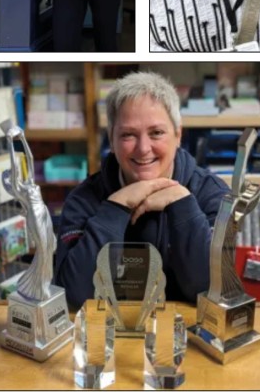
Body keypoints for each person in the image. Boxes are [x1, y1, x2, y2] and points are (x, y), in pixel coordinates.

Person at [54, 72, 228, 312]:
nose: (143, 148)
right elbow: (74, 296)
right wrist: (116, 207)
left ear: (178, 135)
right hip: (108, 335)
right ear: (112, 141)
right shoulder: (84, 199)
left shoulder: (211, 194)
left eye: (156, 132)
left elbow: (210, 291)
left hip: (185, 338)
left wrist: (182, 205)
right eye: (128, 135)